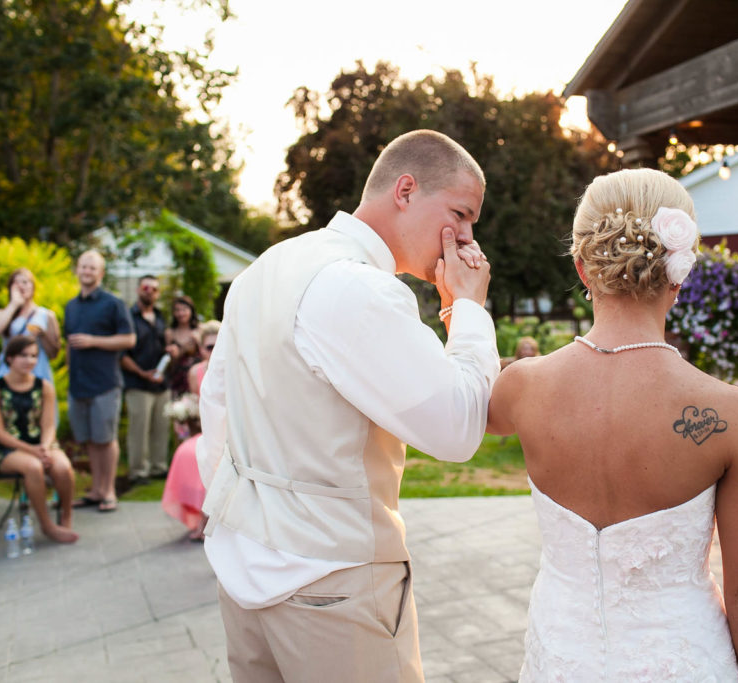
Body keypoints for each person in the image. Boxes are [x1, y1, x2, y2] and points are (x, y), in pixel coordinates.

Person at [197, 129, 498, 682]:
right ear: (405, 190)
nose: (465, 235)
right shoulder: (359, 289)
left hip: (242, 570)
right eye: (461, 212)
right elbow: (457, 429)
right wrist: (467, 309)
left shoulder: (263, 268)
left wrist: (235, 524)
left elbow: (216, 411)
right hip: (332, 581)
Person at [487, 169, 738, 681]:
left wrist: (460, 304)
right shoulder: (735, 417)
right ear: (680, 271)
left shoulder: (520, 388)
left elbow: (452, 413)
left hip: (559, 659)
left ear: (581, 267)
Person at [0, 335, 78, 543]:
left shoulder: (44, 386)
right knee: (33, 467)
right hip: (7, 449)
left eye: (34, 356)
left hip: (41, 445)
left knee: (63, 467)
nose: (30, 361)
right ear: (9, 359)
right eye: (23, 356)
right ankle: (46, 525)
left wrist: (44, 447)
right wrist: (33, 451)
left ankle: (66, 516)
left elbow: (48, 424)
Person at [63, 250, 135, 513]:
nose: (87, 271)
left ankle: (109, 491)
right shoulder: (71, 306)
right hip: (78, 384)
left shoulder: (113, 303)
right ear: (77, 270)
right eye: (83, 266)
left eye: (93, 268)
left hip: (105, 383)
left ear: (101, 273)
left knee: (106, 439)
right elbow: (70, 345)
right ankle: (95, 490)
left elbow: (129, 340)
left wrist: (94, 341)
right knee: (91, 440)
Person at [162, 320, 220, 541]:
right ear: (201, 349)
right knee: (188, 452)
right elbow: (196, 404)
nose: (213, 351)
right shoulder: (195, 372)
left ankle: (208, 519)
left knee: (208, 453)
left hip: (226, 431)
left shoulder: (231, 368)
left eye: (217, 345)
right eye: (208, 347)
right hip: (204, 429)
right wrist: (183, 416)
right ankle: (199, 515)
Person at [120, 275, 170, 486]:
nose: (149, 291)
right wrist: (142, 373)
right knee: (139, 430)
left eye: (154, 289)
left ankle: (159, 467)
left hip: (161, 383)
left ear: (158, 294)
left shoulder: (160, 318)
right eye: (145, 287)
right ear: (138, 289)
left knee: (161, 428)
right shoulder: (128, 317)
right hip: (137, 383)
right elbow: (122, 355)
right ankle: (139, 471)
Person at [0, 268, 61, 381]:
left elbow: (53, 354)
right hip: (9, 372)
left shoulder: (46, 315)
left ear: (33, 287)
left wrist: (43, 335)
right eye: (16, 283)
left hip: (37, 372)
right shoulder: (2, 313)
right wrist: (14, 304)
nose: (21, 286)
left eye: (25, 282)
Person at [165, 295, 201, 398]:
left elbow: (207, 354)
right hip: (177, 379)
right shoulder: (170, 333)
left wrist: (198, 341)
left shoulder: (199, 330)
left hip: (196, 377)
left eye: (184, 309)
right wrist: (171, 354)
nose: (181, 313)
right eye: (177, 310)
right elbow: (168, 363)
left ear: (191, 310)